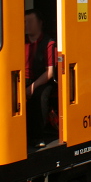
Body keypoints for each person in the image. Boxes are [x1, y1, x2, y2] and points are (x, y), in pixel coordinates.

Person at [25, 9, 57, 146]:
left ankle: (38, 137)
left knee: (39, 96)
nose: (27, 25)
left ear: (40, 23)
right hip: (22, 77)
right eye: (25, 22)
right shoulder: (19, 41)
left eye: (30, 22)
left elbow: (49, 72)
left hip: (41, 79)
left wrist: (32, 87)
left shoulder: (49, 43)